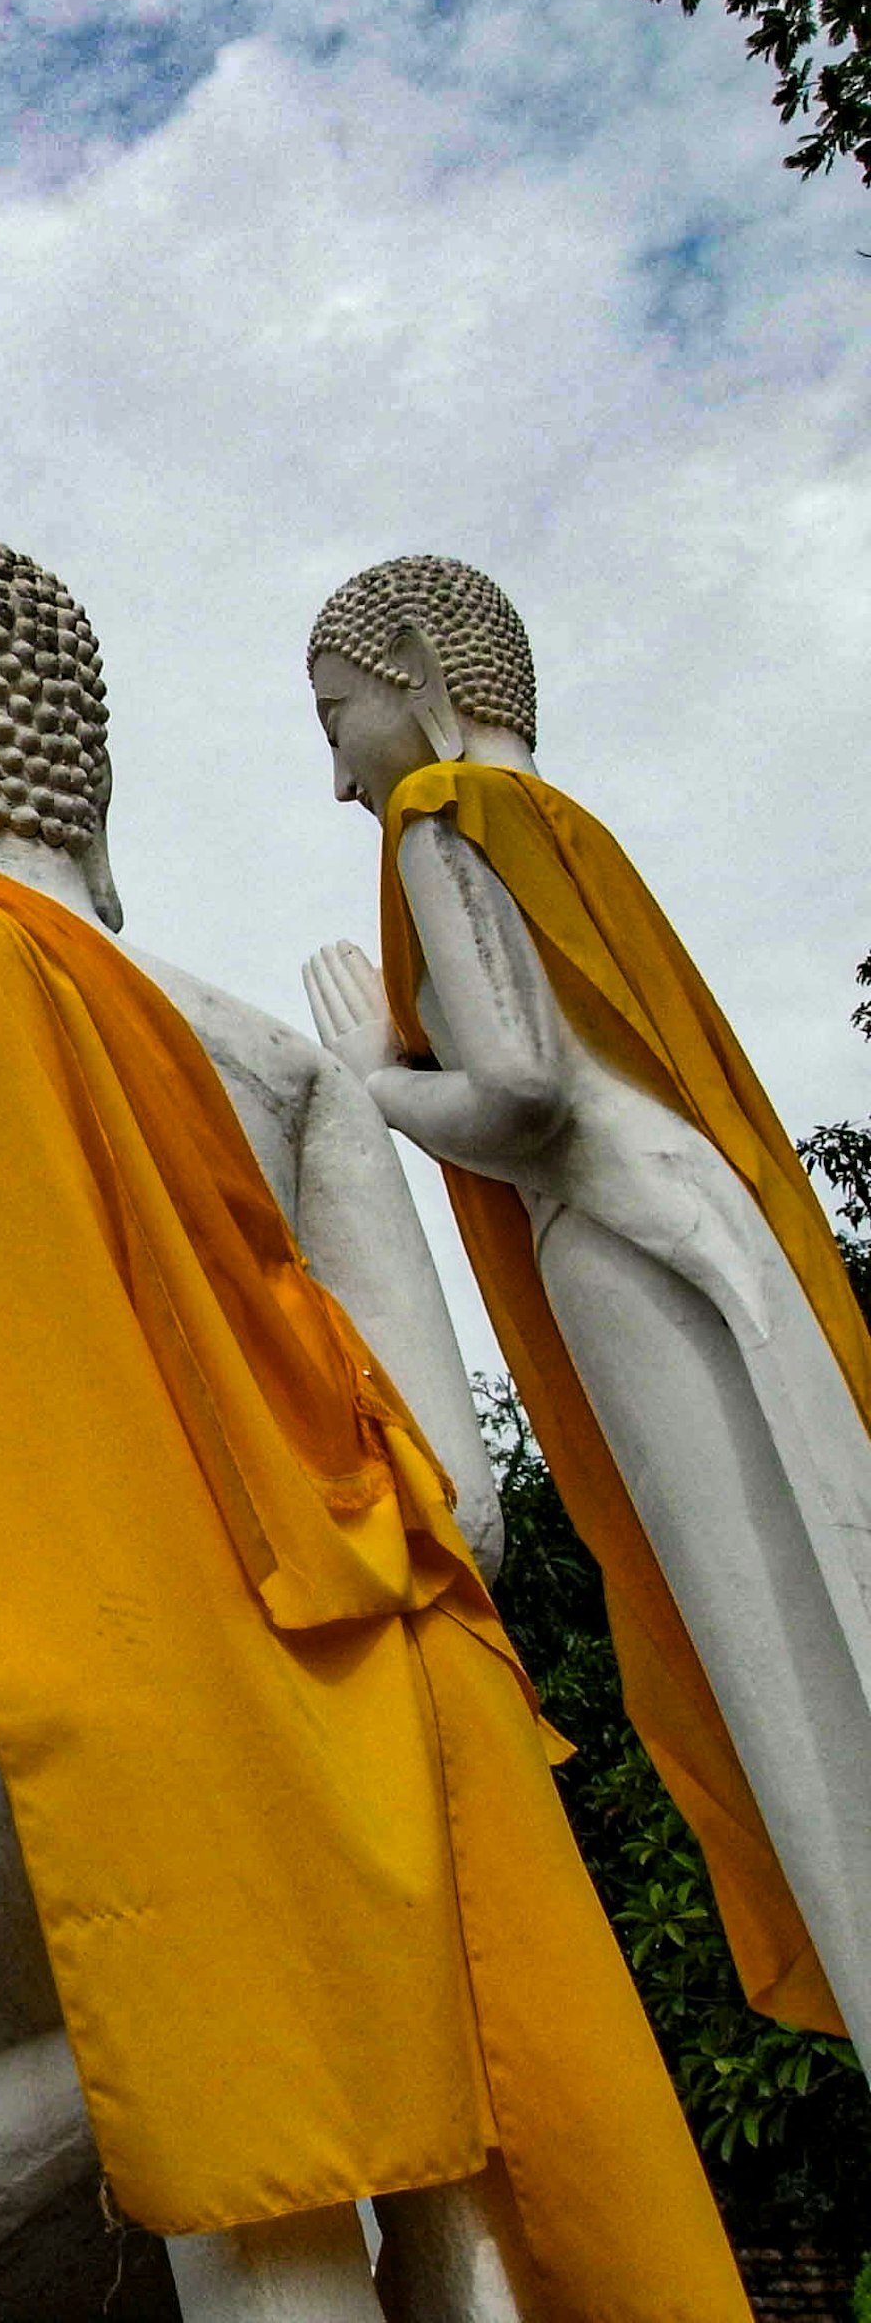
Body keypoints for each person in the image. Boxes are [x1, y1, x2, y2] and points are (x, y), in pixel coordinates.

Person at [0, 531, 741, 2323]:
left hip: (20, 1697)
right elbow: (459, 1496)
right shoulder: (285, 1068)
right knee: (418, 2209)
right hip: (394, 1720)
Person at [303, 552, 871, 2041]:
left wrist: (376, 1085)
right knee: (824, 1601)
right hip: (709, 1232)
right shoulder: (566, 828)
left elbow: (526, 1091)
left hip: (622, 1248)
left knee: (776, 1667)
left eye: (337, 715)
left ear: (418, 671)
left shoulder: (450, 815)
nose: (342, 777)